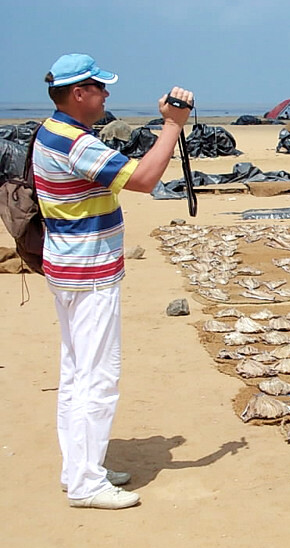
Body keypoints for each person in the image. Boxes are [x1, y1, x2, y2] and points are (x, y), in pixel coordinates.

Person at [33, 53, 194, 510]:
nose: (106, 94)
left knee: (75, 373)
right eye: (100, 87)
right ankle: (86, 483)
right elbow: (143, 179)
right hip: (89, 273)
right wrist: (171, 126)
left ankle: (78, 468)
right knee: (98, 377)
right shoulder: (75, 142)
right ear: (78, 93)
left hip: (66, 268)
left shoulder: (53, 131)